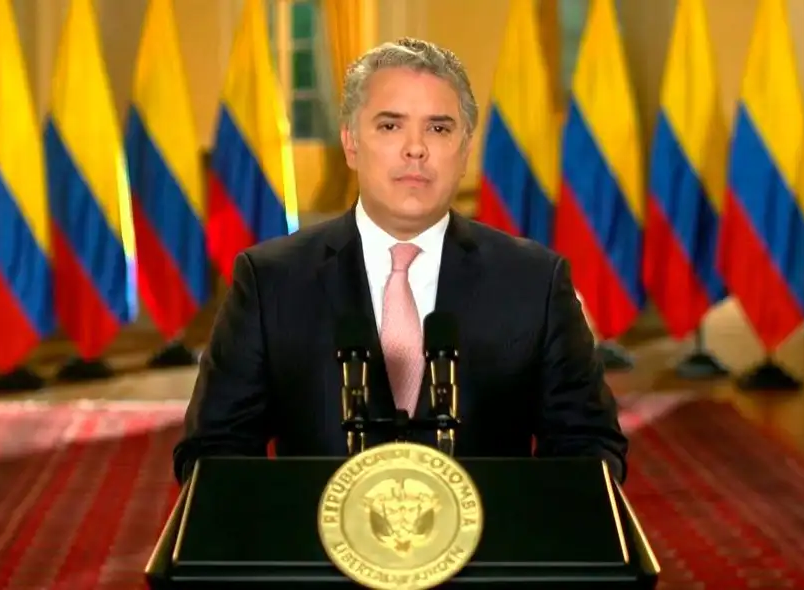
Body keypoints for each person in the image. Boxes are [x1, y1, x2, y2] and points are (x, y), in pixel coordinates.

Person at [173, 37, 628, 484]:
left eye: (439, 128)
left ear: (465, 150)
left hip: (487, 553)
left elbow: (589, 448)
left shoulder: (535, 282)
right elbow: (213, 450)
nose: (416, 148)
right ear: (351, 143)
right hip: (317, 553)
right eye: (390, 126)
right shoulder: (270, 279)